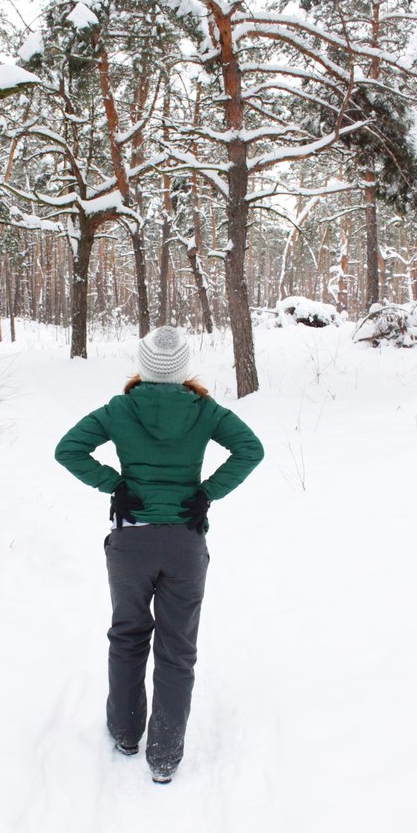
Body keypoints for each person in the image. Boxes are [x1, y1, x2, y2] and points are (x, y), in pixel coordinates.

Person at [54, 326, 264, 783]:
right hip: (185, 543)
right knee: (177, 649)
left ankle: (126, 734)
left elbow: (68, 450)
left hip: (131, 543)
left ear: (143, 364)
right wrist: (206, 493)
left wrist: (115, 486)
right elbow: (251, 449)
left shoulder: (121, 408)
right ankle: (165, 757)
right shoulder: (204, 410)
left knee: (128, 636)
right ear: (182, 367)